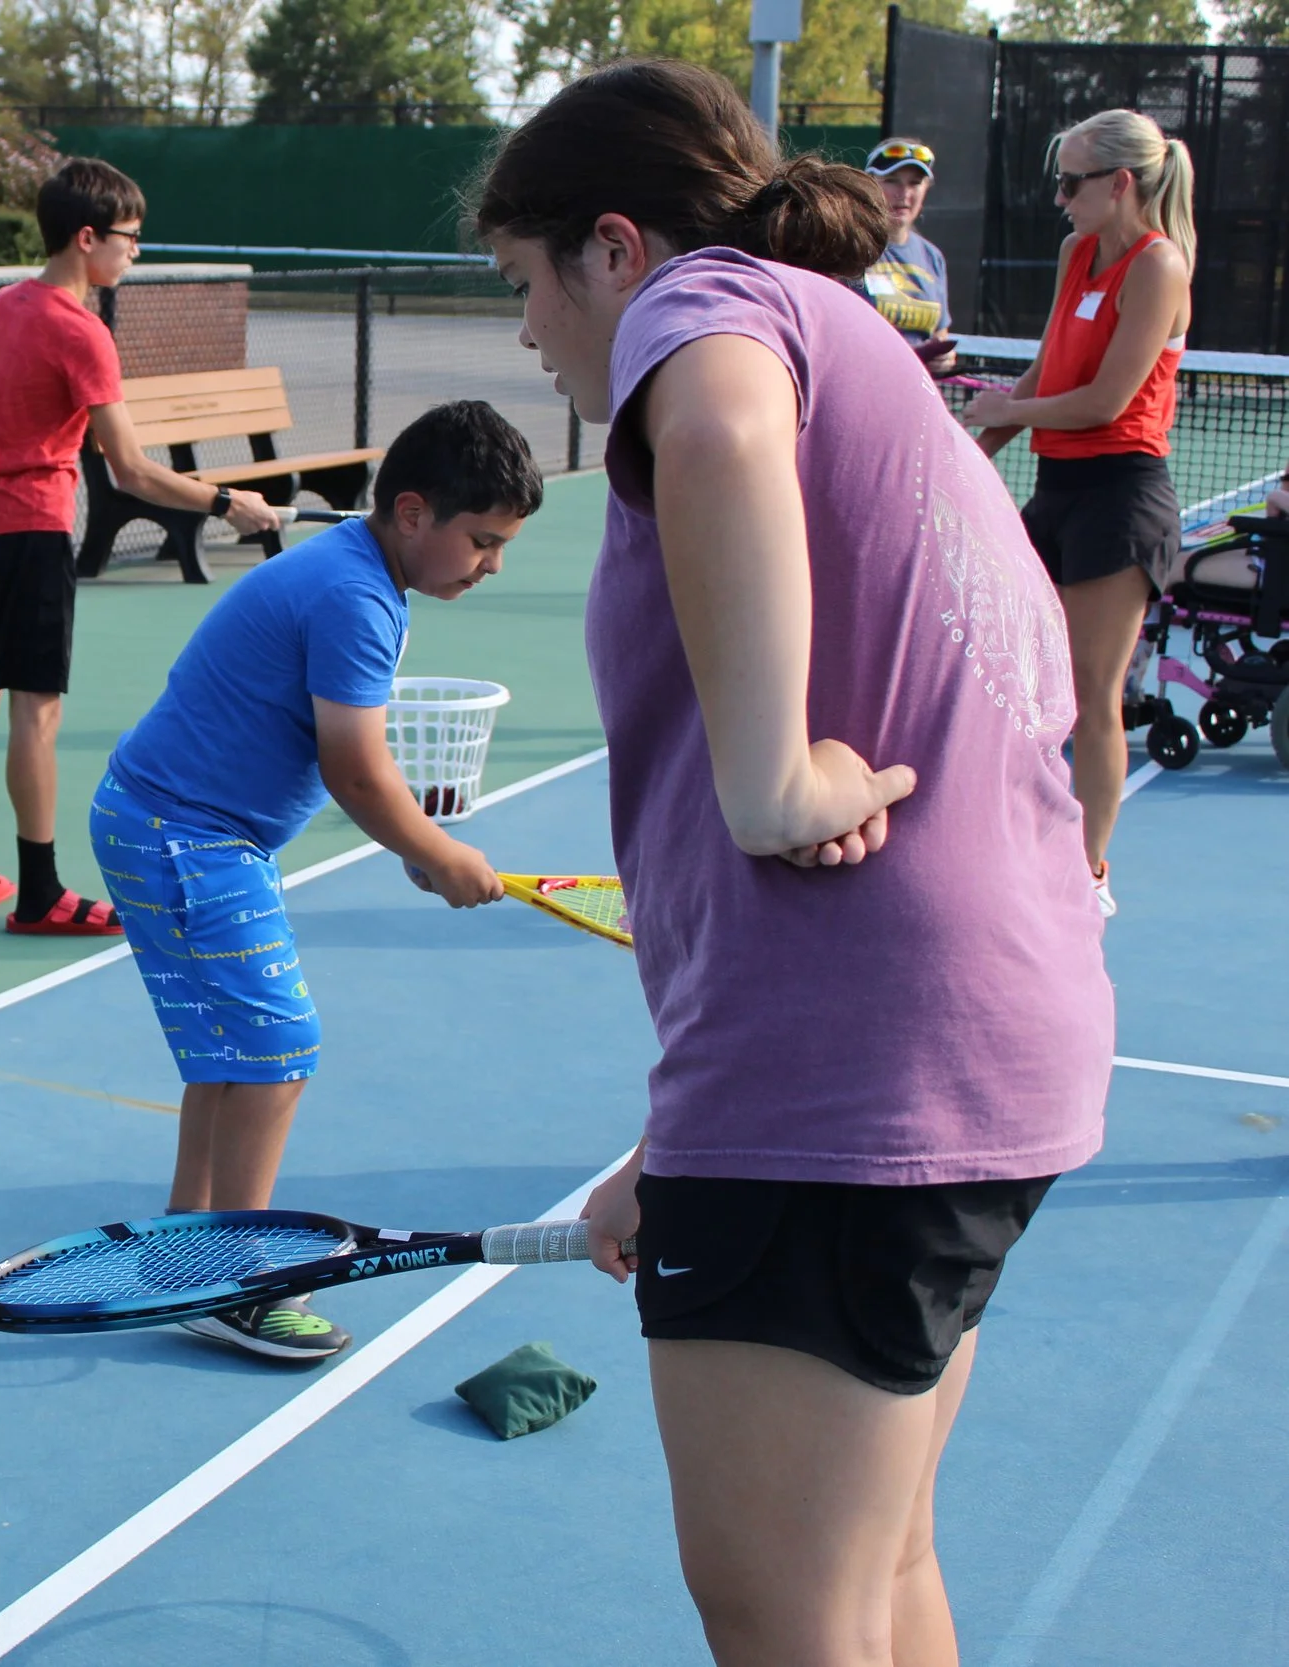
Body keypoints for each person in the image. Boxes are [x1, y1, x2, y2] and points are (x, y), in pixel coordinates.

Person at [476, 61, 1111, 1665]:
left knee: (787, 1619)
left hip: (857, 1084)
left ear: (612, 249)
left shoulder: (715, 309)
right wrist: (679, 1139)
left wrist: (766, 774)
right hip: (952, 1061)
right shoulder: (869, 361)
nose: (527, 335)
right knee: (878, 1571)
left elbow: (719, 426)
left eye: (522, 284)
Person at [91, 401, 542, 1362]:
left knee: (230, 1055)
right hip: (188, 834)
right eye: (484, 541)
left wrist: (420, 846)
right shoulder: (356, 598)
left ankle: (185, 1254)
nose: (492, 563)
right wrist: (438, 851)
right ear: (414, 513)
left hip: (162, 822)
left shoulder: (356, 564)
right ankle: (242, 1283)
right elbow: (357, 768)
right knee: (277, 1050)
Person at [0, 157, 283, 934]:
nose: (135, 253)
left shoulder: (0, 308)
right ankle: (38, 893)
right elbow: (129, 470)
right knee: (39, 711)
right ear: (87, 237)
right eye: (129, 238)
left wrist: (4, 465)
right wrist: (230, 503)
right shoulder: (82, 332)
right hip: (30, 530)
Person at [964, 109, 1194, 920]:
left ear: (1120, 183)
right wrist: (982, 437)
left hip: (1121, 494)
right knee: (1020, 685)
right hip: (1056, 489)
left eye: (1071, 183)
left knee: (1093, 696)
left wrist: (1010, 414)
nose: (1060, 199)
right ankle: (1014, 842)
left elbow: (1106, 399)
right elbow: (1049, 363)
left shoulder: (1157, 264)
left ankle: (1088, 874)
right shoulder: (1077, 252)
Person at [860, 137, 957, 375]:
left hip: (918, 393)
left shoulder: (932, 257)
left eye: (915, 183)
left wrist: (944, 358)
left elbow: (939, 334)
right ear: (869, 184)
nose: (903, 194)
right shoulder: (851, 248)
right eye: (892, 181)